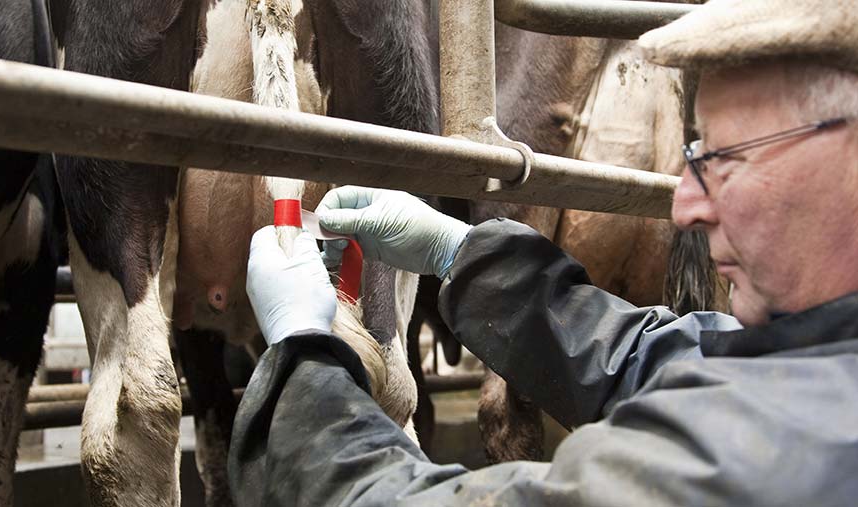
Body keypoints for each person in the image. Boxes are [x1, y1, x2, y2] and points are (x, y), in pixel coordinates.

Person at [230, 0, 858, 505]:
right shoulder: (817, 367)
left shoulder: (776, 455)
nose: (685, 206)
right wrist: (462, 254)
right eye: (694, 157)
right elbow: (661, 358)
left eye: (725, 159)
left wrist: (303, 361)